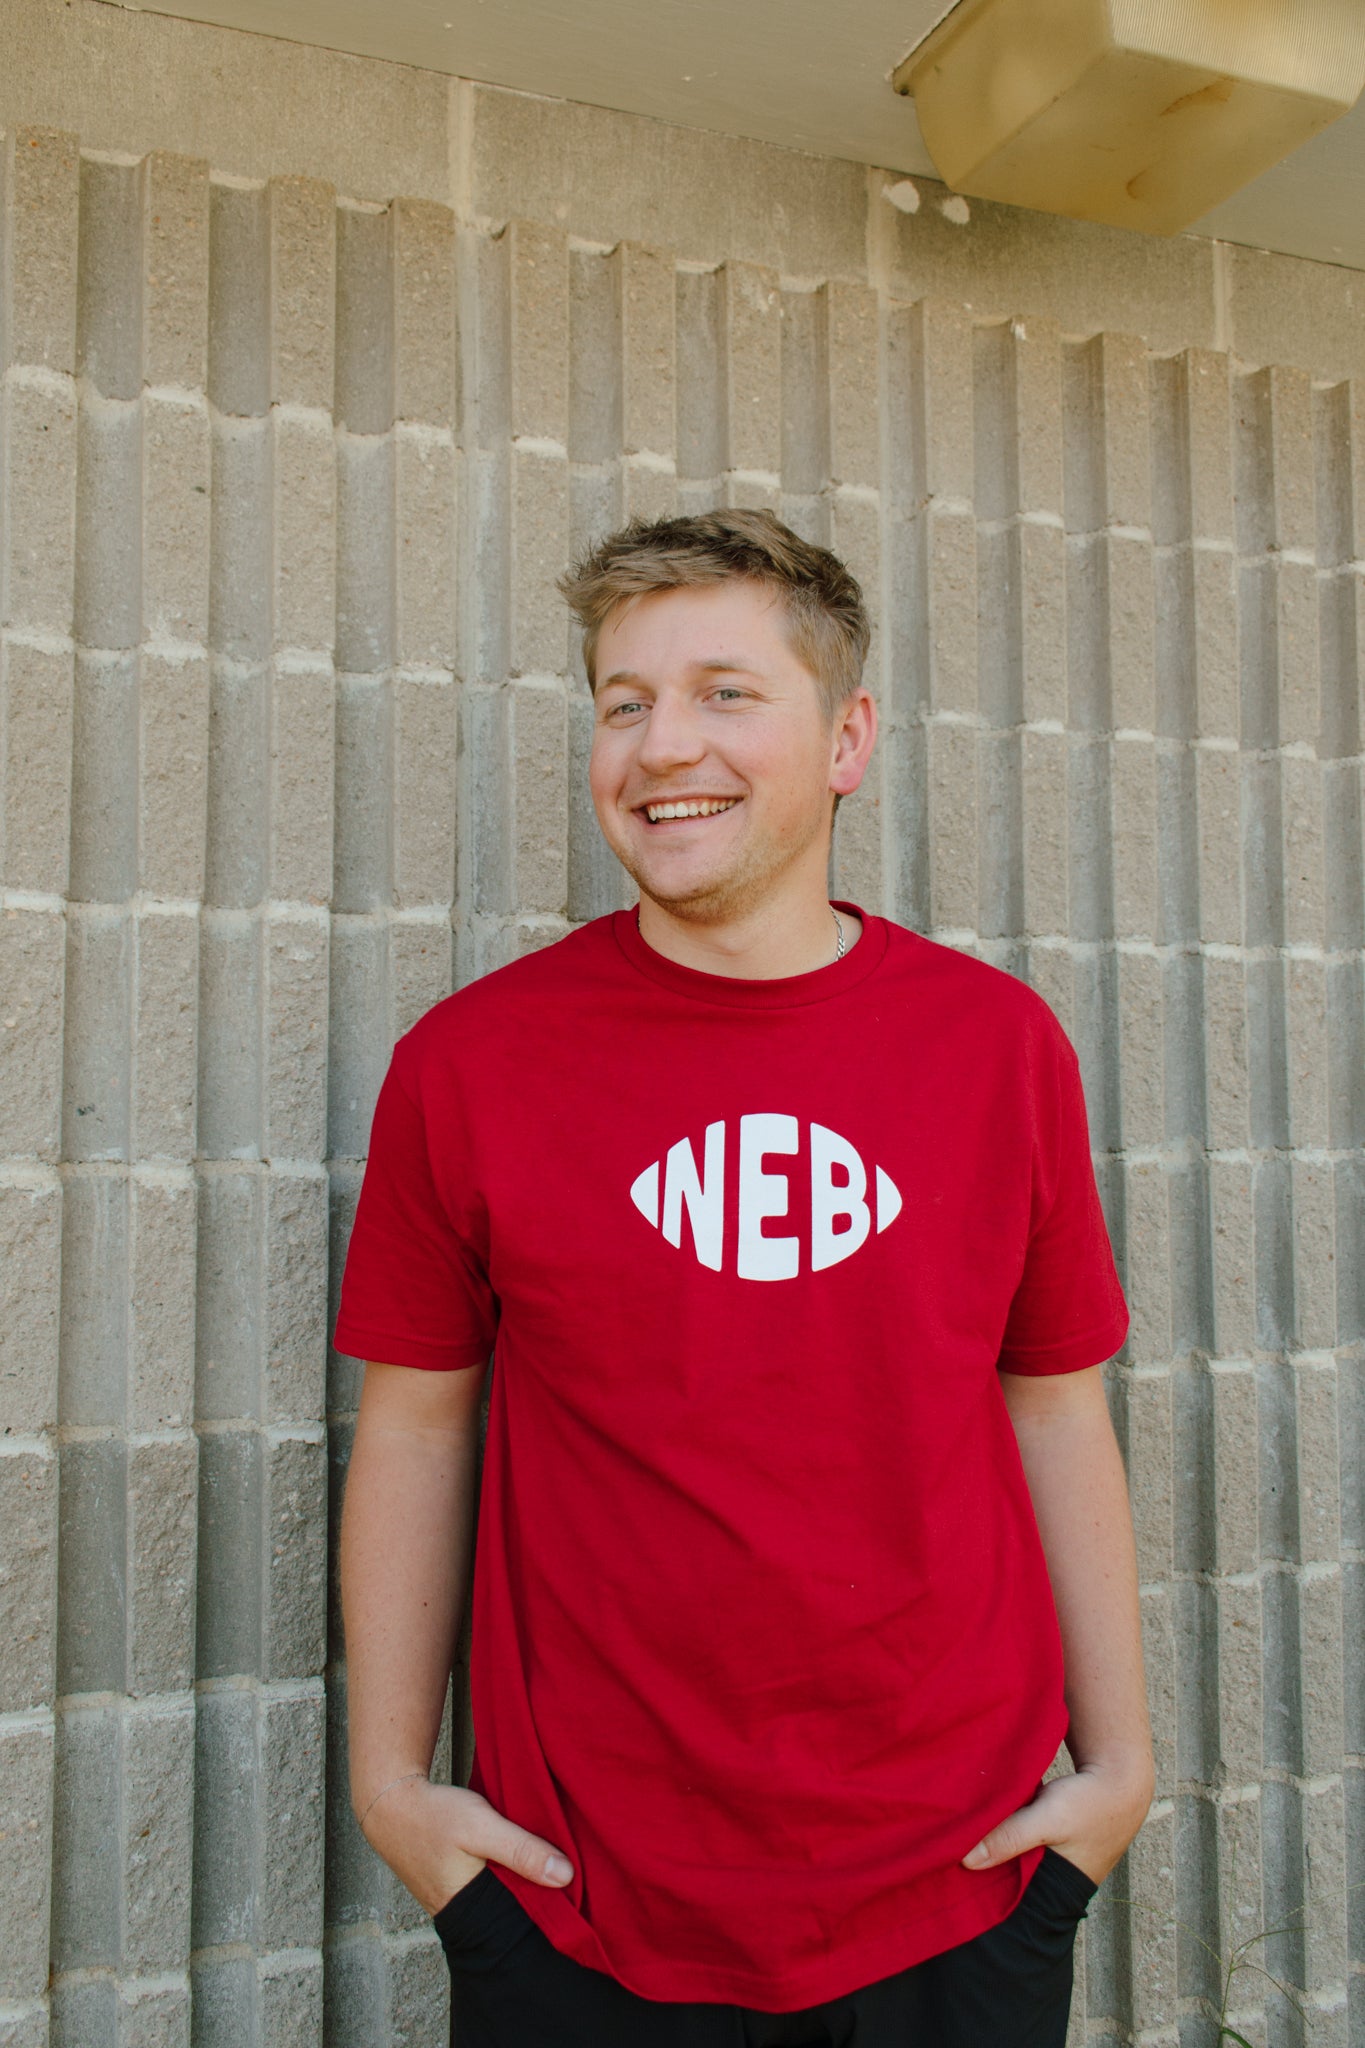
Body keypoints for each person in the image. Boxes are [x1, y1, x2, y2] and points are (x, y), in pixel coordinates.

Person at [335, 509, 1155, 2047]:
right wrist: (394, 1790)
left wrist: (1117, 1771)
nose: (660, 748)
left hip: (960, 1885)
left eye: (725, 692)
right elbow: (418, 1426)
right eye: (622, 701)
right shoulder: (473, 1065)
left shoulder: (995, 1050)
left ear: (844, 738)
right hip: (584, 1906)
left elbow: (1053, 1408)